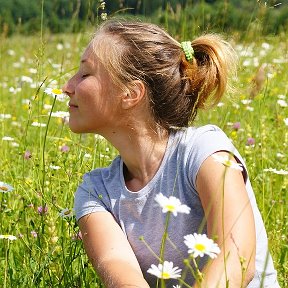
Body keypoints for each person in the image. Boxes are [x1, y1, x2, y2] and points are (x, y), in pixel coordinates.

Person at [62, 19, 280, 288]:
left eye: (85, 74)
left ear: (131, 93)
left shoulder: (204, 153)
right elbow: (121, 275)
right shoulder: (95, 191)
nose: (67, 86)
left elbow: (235, 258)